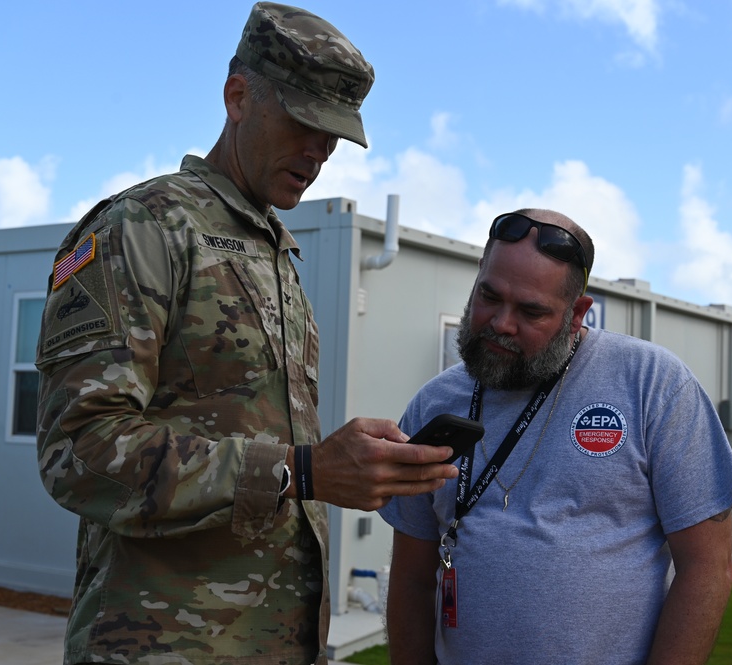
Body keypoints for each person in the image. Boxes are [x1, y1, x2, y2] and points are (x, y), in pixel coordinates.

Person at [34, 4, 457, 664]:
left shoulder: (271, 252)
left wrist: (334, 463)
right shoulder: (144, 227)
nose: (319, 151)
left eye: (334, 137)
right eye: (304, 123)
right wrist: (306, 469)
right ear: (237, 97)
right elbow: (79, 451)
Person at [379, 209, 732, 665]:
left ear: (577, 314)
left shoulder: (652, 384)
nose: (501, 323)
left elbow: (708, 567)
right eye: (488, 296)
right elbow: (412, 577)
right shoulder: (434, 403)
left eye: (531, 311)